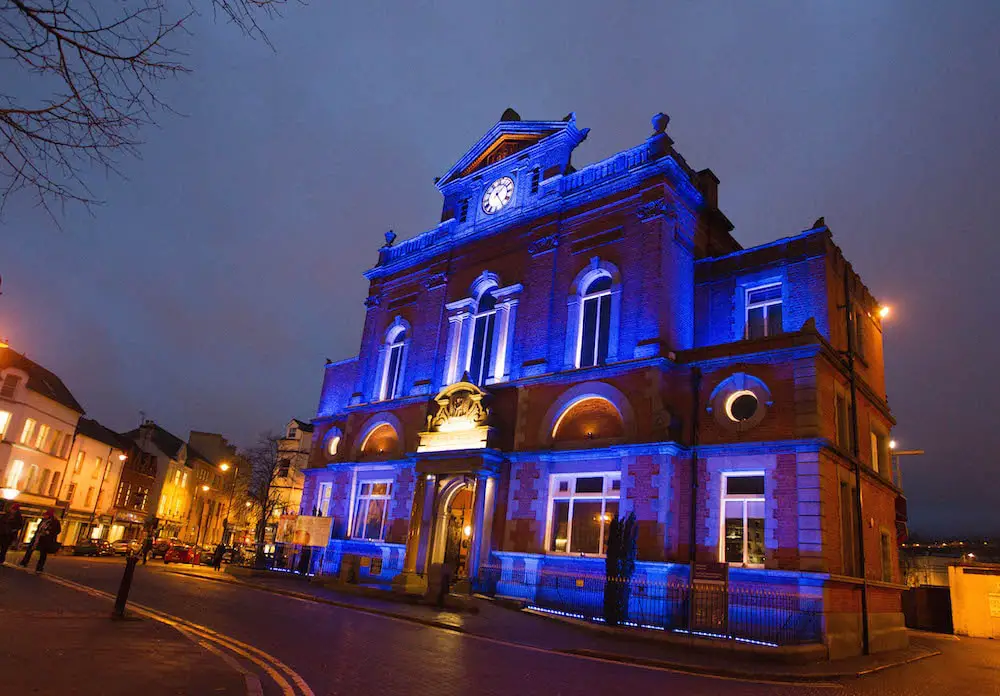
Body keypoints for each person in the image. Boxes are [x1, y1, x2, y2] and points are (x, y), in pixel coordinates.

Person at [22, 509, 61, 573]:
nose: (44, 516)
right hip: (38, 537)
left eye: (46, 515)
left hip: (46, 539)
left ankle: (39, 568)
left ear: (49, 515)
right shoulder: (43, 520)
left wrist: (49, 532)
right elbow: (39, 528)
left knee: (43, 554)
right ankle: (24, 562)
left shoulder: (55, 522)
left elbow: (58, 530)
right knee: (30, 549)